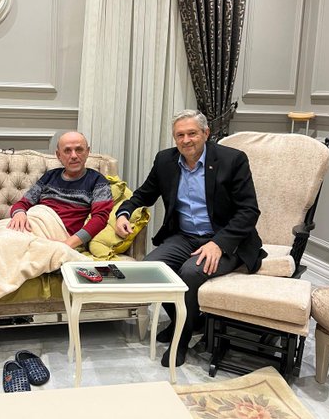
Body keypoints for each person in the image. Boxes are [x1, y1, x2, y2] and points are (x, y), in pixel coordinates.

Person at [114, 109, 266, 367]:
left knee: (190, 272)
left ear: (206, 133)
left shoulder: (232, 160)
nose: (186, 140)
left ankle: (181, 340)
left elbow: (249, 211)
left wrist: (219, 243)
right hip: (184, 237)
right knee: (151, 269)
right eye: (180, 135)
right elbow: (144, 194)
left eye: (192, 133)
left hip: (225, 239)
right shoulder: (165, 160)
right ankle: (188, 322)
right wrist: (124, 212)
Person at [0, 131, 113, 339]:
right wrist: (20, 213)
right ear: (58, 155)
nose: (74, 155)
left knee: (2, 249)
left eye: (79, 149)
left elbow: (100, 218)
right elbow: (22, 203)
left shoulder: (98, 181)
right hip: (29, 222)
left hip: (54, 229)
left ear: (87, 152)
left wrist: (68, 243)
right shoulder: (50, 176)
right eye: (67, 150)